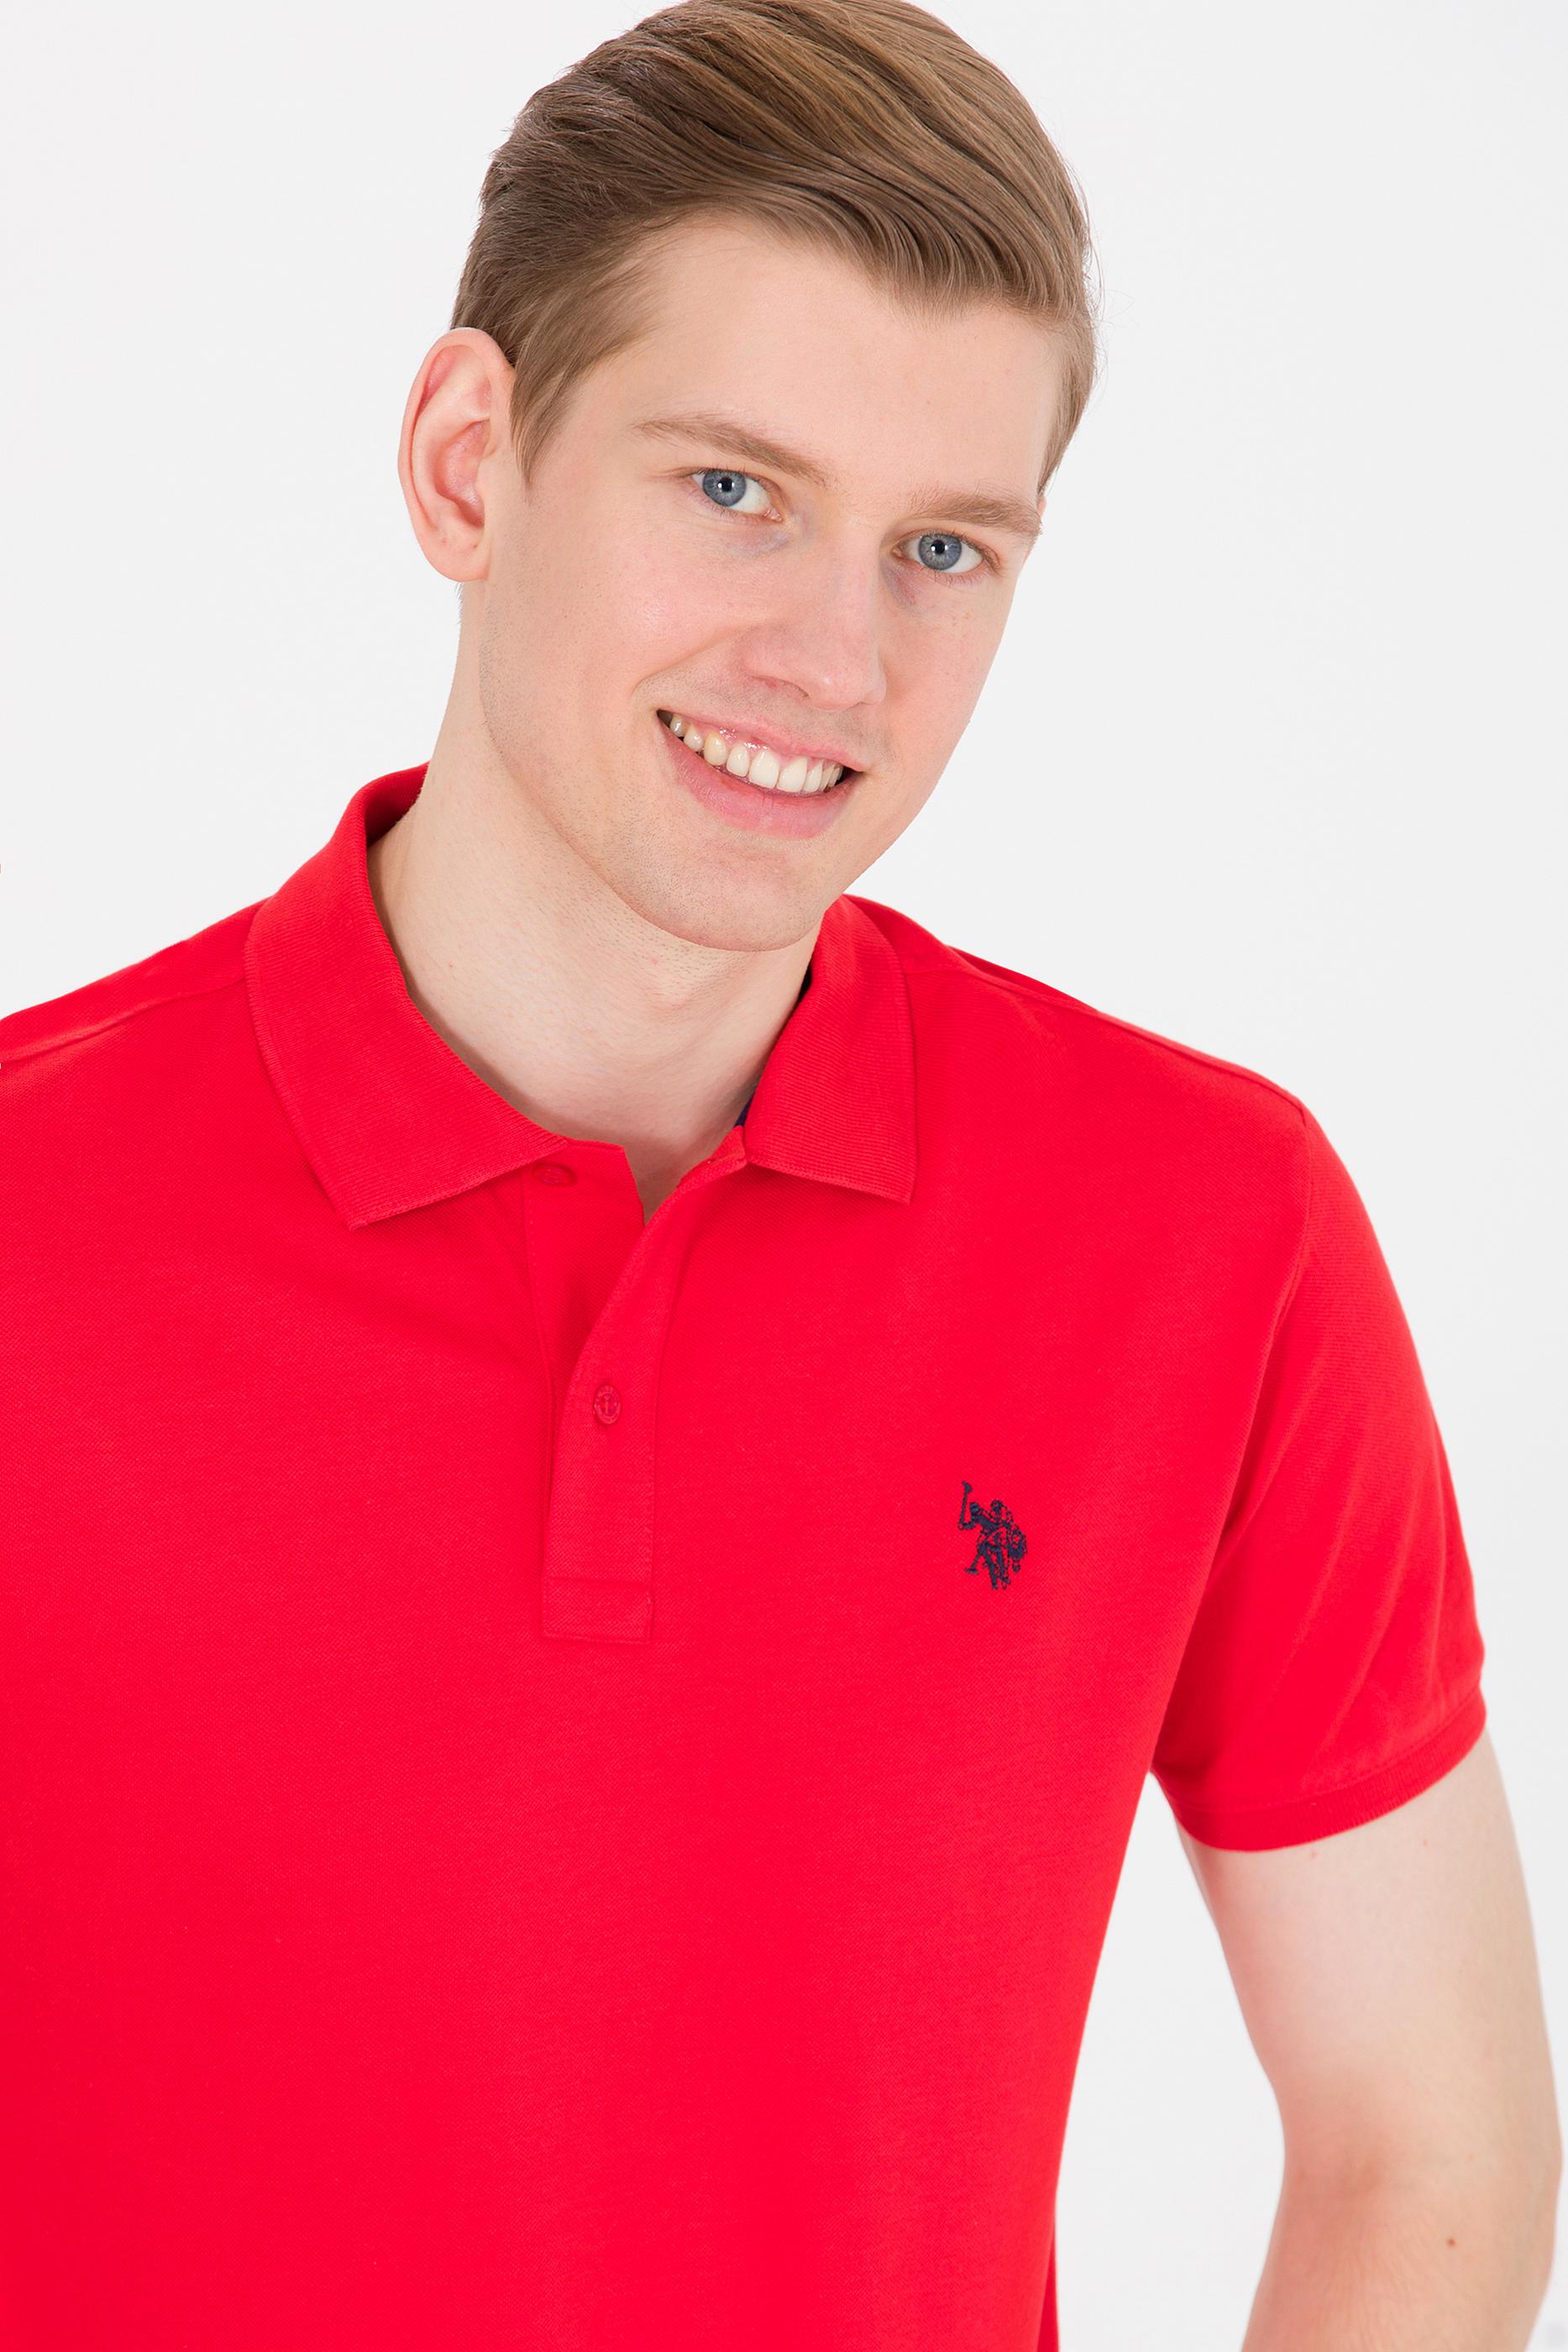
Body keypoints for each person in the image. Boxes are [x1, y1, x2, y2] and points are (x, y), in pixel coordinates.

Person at [0, 1, 1558, 2344]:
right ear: (468, 465)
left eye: (943, 546)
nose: (835, 656)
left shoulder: (1208, 1236)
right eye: (734, 490)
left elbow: (1422, 2135)